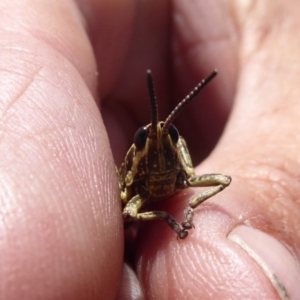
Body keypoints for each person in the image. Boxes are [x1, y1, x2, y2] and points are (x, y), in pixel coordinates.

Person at [0, 1, 299, 299]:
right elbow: (130, 211)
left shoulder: (182, 164)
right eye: (146, 140)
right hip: (131, 210)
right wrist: (168, 219)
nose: (159, 144)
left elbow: (221, 182)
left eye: (169, 134)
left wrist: (192, 206)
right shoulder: (134, 195)